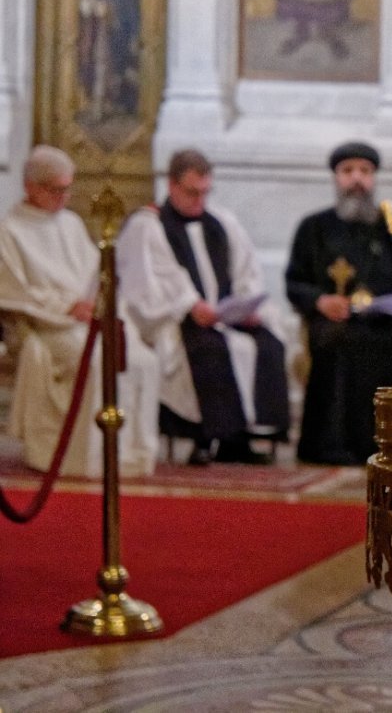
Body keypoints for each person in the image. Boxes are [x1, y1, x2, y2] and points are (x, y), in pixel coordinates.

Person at [117, 149, 290, 466]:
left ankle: (246, 439)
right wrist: (189, 305)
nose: (200, 201)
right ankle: (206, 438)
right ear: (172, 186)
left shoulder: (222, 223)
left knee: (269, 343)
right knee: (210, 349)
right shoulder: (149, 225)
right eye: (192, 193)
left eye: (205, 193)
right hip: (179, 319)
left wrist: (246, 305)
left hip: (224, 317)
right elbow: (149, 282)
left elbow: (246, 271)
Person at [0, 146, 158, 478]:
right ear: (31, 186)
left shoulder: (70, 223)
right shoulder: (9, 231)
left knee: (143, 359)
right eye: (56, 189)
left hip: (86, 320)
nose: (64, 197)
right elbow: (14, 294)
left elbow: (92, 273)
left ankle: (131, 457)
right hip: (48, 328)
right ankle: (87, 458)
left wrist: (99, 299)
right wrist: (68, 307)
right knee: (98, 361)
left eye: (67, 188)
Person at [286, 142, 392, 465]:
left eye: (364, 172)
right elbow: (294, 283)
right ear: (336, 177)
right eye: (348, 171)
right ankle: (335, 446)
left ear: (374, 177)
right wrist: (320, 301)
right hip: (334, 320)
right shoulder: (314, 227)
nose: (357, 179)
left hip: (387, 320)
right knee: (340, 341)